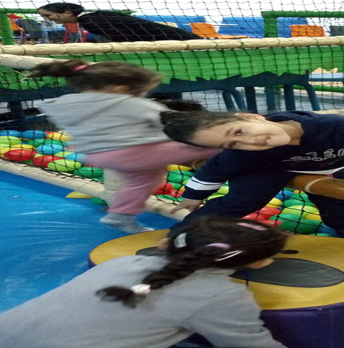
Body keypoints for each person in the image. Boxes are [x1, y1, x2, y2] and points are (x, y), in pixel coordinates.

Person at [0, 217, 306, 348]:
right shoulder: (220, 295)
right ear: (261, 263)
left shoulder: (122, 263)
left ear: (165, 243)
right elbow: (252, 346)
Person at [29, 59, 221, 234]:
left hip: (97, 155)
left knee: (142, 181)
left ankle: (119, 217)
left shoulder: (66, 104)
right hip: (134, 152)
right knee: (214, 146)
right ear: (121, 89)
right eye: (141, 92)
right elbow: (172, 122)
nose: (142, 96)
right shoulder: (131, 103)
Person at [160, 109, 344, 243]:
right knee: (241, 201)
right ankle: (187, 231)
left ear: (252, 117)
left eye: (239, 131)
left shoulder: (341, 127)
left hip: (327, 166)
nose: (250, 142)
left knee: (338, 200)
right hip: (269, 168)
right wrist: (193, 195)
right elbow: (216, 169)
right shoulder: (247, 153)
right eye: (233, 144)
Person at [37, 2, 202, 42]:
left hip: (177, 40)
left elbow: (124, 39)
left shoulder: (90, 21)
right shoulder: (93, 16)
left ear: (67, 13)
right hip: (180, 38)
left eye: (48, 15)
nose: (47, 19)